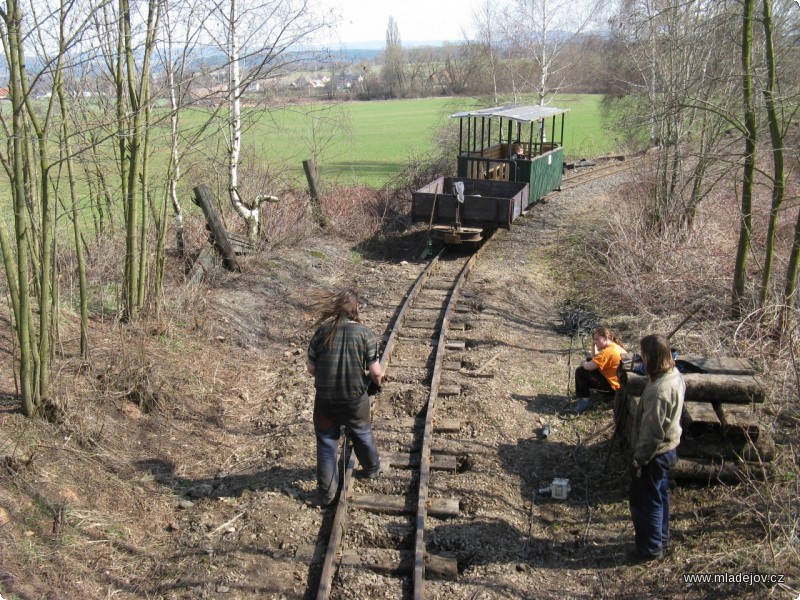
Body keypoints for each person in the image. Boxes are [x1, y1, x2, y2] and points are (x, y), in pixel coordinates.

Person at [306, 288, 383, 507]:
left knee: (326, 442)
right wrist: (377, 384)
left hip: (325, 400)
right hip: (354, 399)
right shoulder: (364, 333)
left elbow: (311, 368)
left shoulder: (322, 332)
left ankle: (327, 493)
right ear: (355, 308)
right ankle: (371, 469)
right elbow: (376, 372)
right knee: (361, 431)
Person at [628, 333, 685, 562]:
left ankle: (650, 550)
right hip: (668, 450)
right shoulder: (674, 375)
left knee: (647, 502)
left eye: (644, 354)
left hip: (655, 455)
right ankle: (661, 538)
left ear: (651, 356)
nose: (641, 358)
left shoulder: (660, 391)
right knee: (659, 496)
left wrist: (638, 460)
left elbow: (652, 435)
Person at [573, 326, 626, 410]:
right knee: (590, 360)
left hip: (612, 387)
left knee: (580, 371)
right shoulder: (614, 345)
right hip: (618, 381)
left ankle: (585, 400)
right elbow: (595, 359)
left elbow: (589, 366)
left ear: (605, 338)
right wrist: (593, 346)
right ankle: (587, 392)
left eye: (597, 339)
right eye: (594, 339)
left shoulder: (606, 353)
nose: (595, 341)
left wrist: (584, 363)